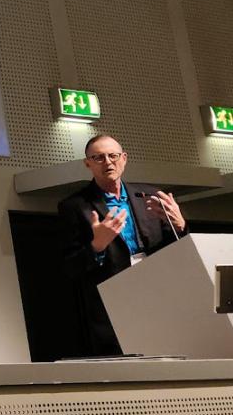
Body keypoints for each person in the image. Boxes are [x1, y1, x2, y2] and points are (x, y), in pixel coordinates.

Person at [58, 134, 186, 355]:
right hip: (113, 299)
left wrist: (181, 225)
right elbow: (69, 267)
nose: (107, 162)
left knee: (168, 354)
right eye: (98, 158)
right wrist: (97, 246)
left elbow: (179, 249)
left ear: (124, 158)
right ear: (87, 164)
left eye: (113, 156)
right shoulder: (74, 206)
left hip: (159, 291)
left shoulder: (150, 196)